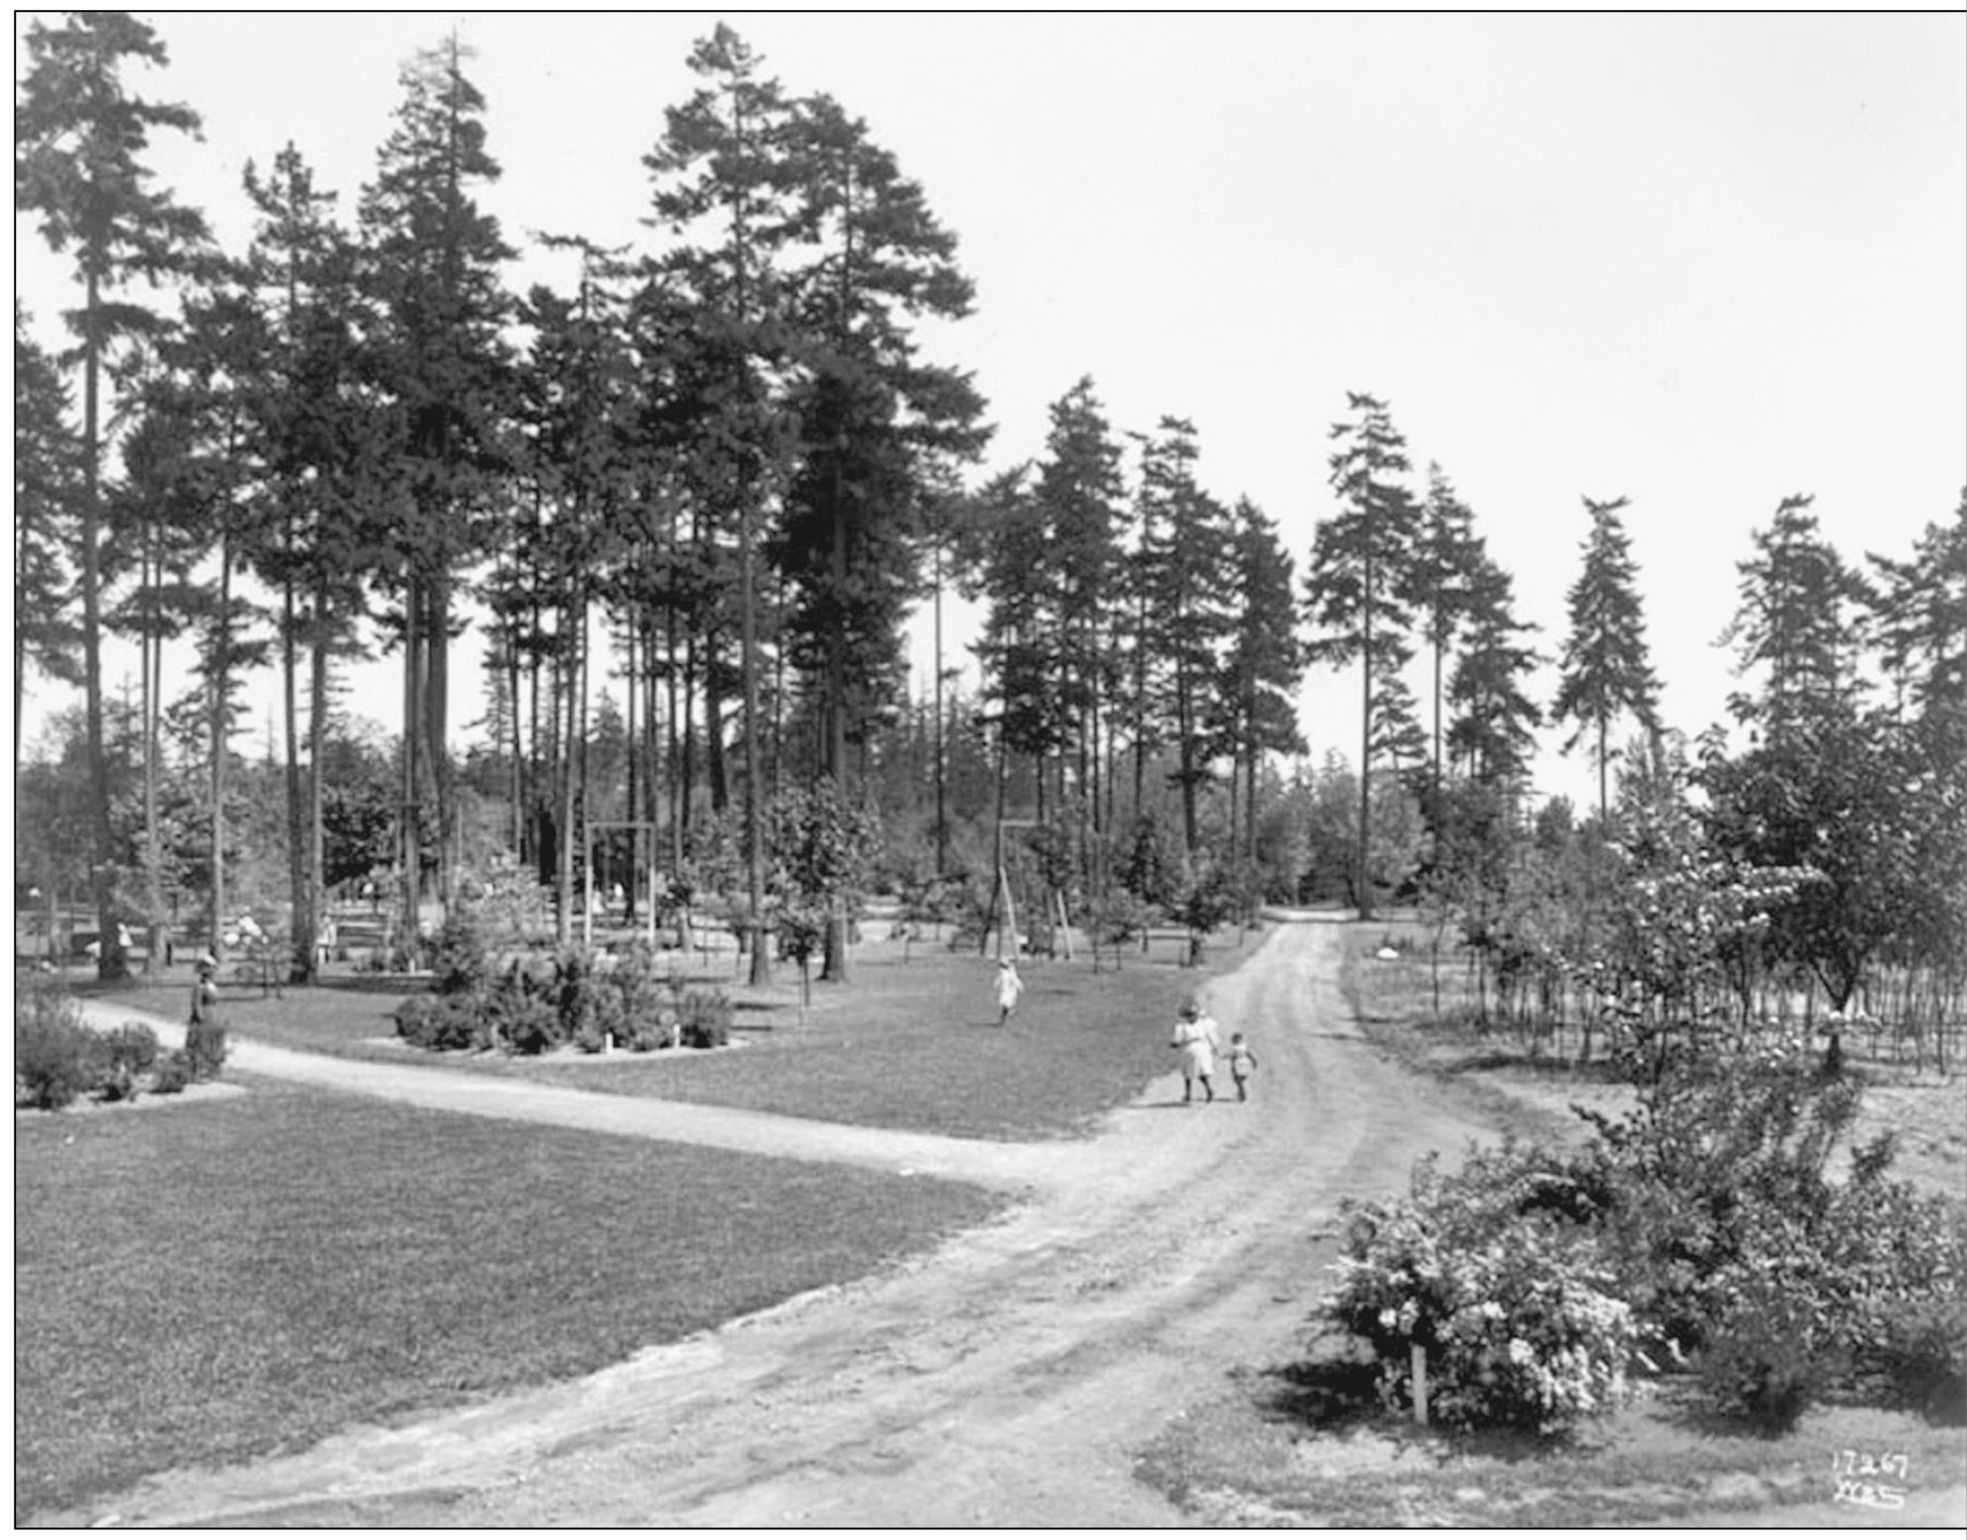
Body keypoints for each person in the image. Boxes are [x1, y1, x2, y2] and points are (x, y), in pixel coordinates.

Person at [1170, 998, 1222, 1104]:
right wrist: (1215, 1048)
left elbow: (1177, 1041)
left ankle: (1189, 1094)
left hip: (1191, 1048)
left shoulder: (1182, 1027)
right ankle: (1208, 1090)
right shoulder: (1204, 1024)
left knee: (1188, 1073)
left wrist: (1174, 1044)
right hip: (1202, 1048)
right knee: (1202, 1072)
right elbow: (1211, 1036)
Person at [1227, 1031, 1258, 1102]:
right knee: (1242, 1078)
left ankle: (1242, 1093)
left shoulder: (1233, 1048)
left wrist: (1225, 1057)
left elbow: (1231, 1056)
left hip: (1237, 1063)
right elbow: (1249, 1054)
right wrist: (1254, 1061)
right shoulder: (1244, 1046)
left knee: (1237, 1080)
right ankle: (1241, 1091)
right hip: (1245, 1063)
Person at [994, 957, 1025, 1027]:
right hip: (1005, 991)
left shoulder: (1010, 973)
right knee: (1005, 1005)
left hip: (1009, 991)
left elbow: (1015, 980)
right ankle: (1006, 1015)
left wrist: (1020, 987)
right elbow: (999, 979)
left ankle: (1004, 1018)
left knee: (1006, 1005)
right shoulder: (1004, 972)